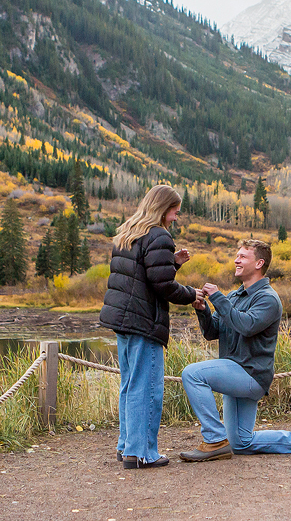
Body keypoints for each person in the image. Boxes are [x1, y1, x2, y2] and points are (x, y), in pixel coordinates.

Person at [179, 239, 291, 461]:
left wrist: (217, 297)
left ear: (259, 263)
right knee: (241, 444)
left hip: (250, 374)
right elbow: (212, 332)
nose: (236, 260)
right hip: (234, 373)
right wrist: (203, 311)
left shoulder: (268, 299)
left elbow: (246, 326)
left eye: (243, 256)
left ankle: (215, 440)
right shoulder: (235, 296)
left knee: (192, 373)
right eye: (237, 255)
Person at [100, 185, 197, 469]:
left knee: (130, 384)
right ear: (163, 208)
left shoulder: (128, 231)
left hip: (123, 320)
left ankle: (126, 446)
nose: (176, 218)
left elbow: (141, 277)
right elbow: (162, 285)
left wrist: (173, 264)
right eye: (174, 211)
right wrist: (192, 295)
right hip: (144, 322)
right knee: (147, 387)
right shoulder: (159, 235)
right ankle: (142, 453)